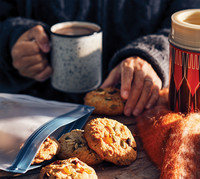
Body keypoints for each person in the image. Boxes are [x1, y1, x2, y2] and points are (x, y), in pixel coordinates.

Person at [0, 0, 199, 116]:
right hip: (31, 116)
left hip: (139, 114)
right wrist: (11, 40)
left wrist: (155, 54)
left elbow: (192, 18)